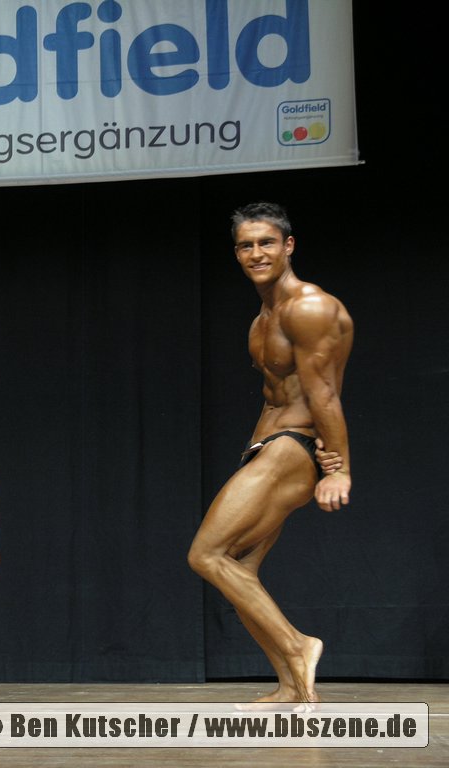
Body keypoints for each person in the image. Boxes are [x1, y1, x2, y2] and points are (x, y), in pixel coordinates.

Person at [187, 201, 353, 704]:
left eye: (266, 243)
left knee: (207, 554)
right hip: (268, 447)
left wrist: (339, 469)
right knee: (239, 569)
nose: (256, 253)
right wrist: (252, 456)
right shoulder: (263, 318)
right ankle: (293, 685)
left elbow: (324, 393)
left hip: (294, 446)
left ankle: (298, 646)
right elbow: (274, 395)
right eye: (245, 245)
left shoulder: (309, 307)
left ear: (289, 246)